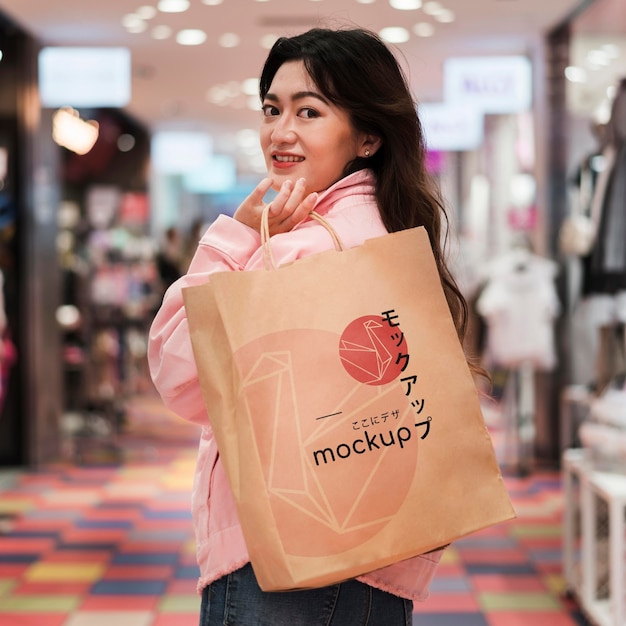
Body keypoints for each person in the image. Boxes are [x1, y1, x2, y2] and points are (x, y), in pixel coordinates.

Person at [149, 27, 472, 626]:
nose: (281, 130)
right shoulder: (390, 236)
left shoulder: (299, 253)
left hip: (286, 558)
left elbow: (179, 373)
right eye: (272, 109)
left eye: (310, 111)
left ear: (368, 135)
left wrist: (234, 239)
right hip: (373, 553)